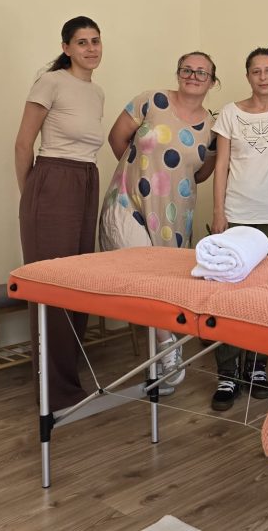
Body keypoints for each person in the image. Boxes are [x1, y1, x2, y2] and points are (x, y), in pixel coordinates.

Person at [98, 51, 219, 391]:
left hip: (173, 214)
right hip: (128, 201)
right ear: (178, 73)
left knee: (161, 285)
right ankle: (168, 350)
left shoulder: (212, 127)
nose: (193, 76)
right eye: (187, 69)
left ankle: (160, 362)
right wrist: (141, 173)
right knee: (142, 275)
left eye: (202, 72)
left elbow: (202, 172)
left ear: (212, 81)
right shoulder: (150, 101)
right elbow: (117, 139)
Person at [15, 16, 105, 413]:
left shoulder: (97, 92)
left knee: (78, 282)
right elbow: (23, 144)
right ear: (66, 48)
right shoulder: (50, 82)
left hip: (86, 180)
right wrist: (32, 195)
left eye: (96, 41)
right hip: (52, 180)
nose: (91, 48)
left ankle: (69, 383)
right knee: (50, 286)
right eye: (82, 42)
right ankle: (53, 393)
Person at [208, 47, 268, 410]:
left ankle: (257, 368)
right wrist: (219, 212)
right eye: (256, 71)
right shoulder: (230, 113)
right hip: (236, 214)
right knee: (229, 295)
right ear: (248, 76)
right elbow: (221, 165)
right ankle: (228, 373)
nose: (263, 77)